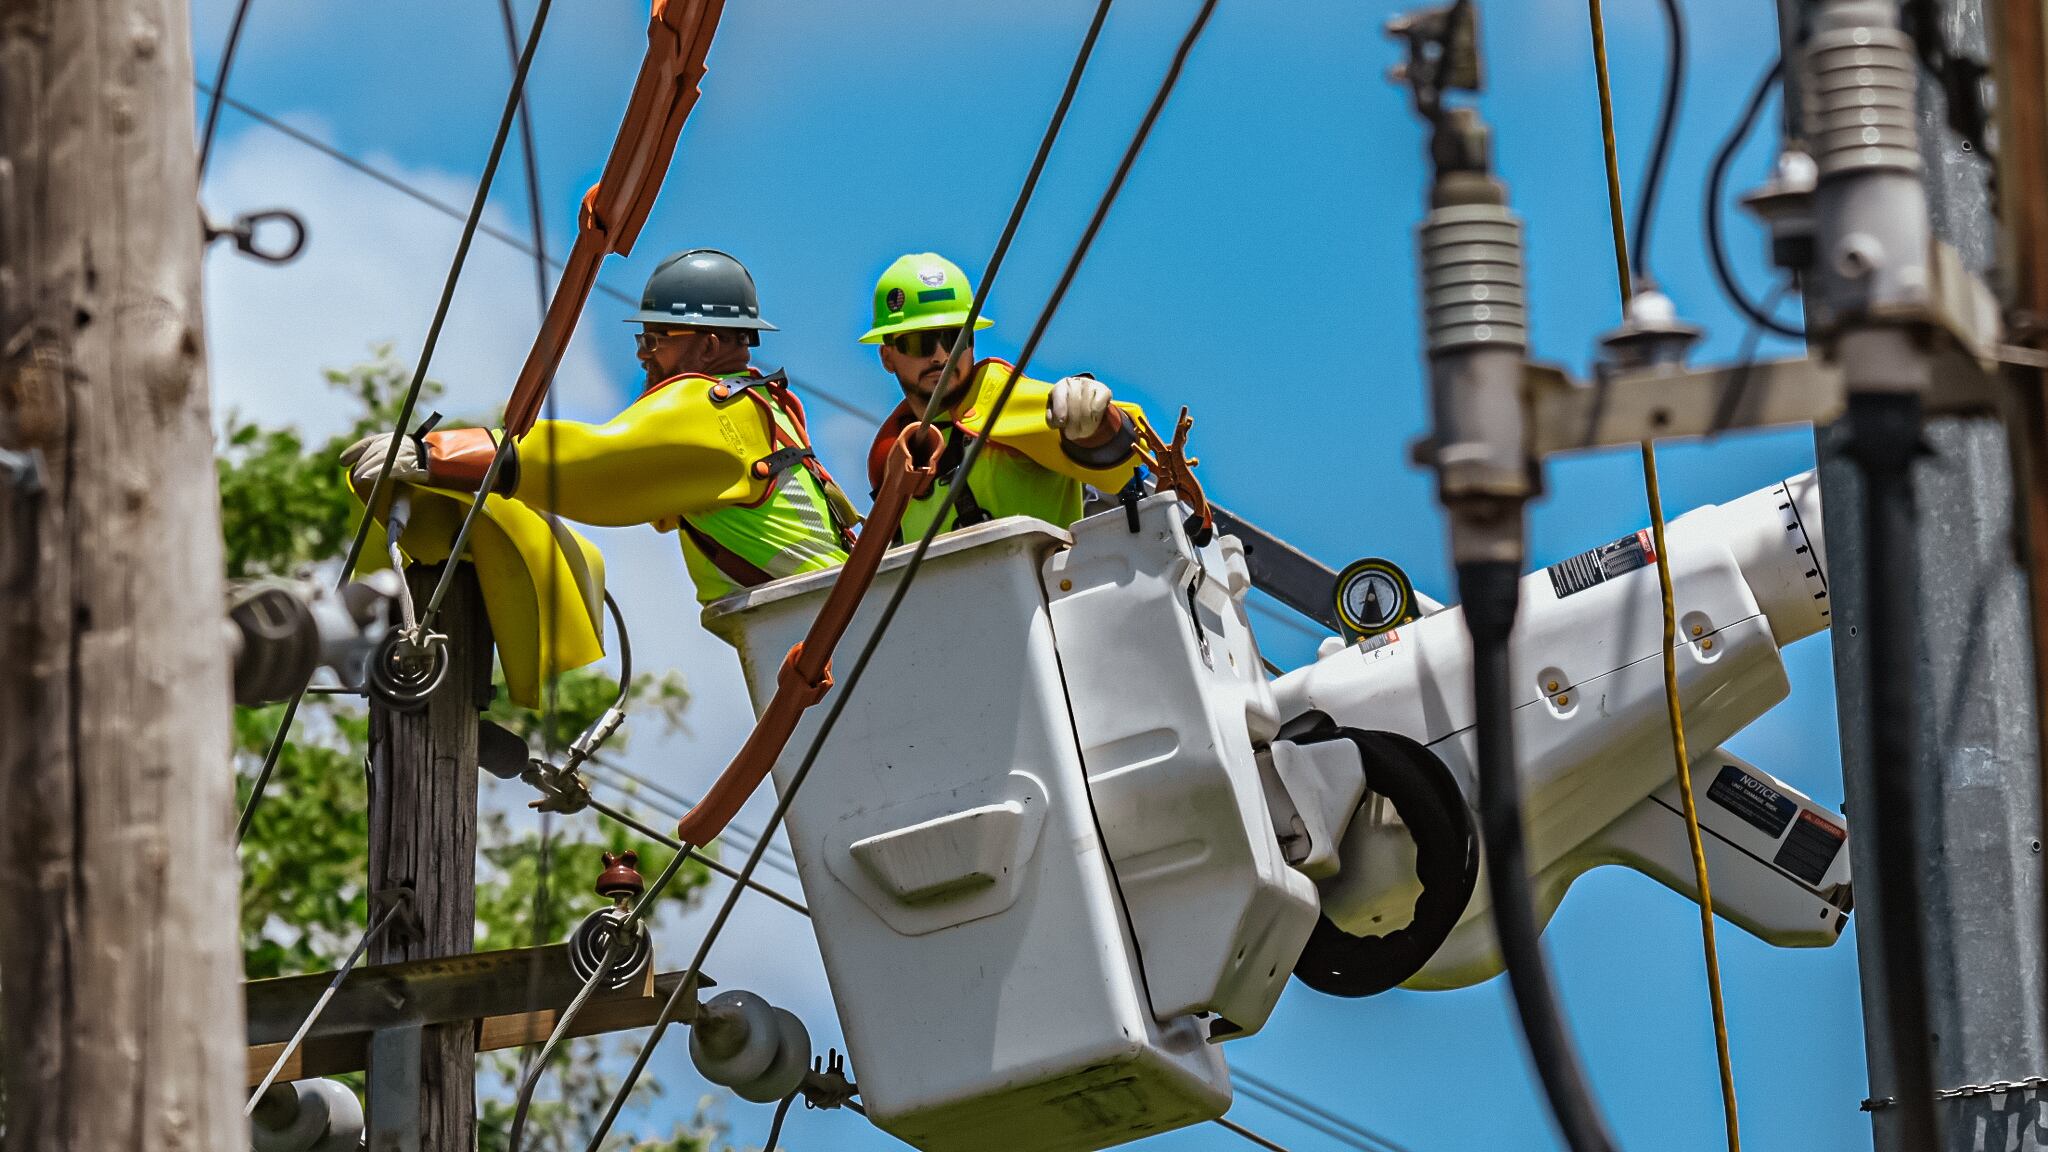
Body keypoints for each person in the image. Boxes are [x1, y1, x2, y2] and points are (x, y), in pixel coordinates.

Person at [342, 248, 860, 609]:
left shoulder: (710, 408)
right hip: (828, 610)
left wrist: (438, 454)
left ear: (708, 345)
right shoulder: (763, 407)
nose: (643, 357)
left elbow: (597, 463)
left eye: (657, 339)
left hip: (819, 615)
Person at [859, 252, 1150, 540]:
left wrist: (1096, 418)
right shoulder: (894, 461)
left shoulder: (999, 399)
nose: (940, 356)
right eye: (919, 343)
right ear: (887, 357)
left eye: (954, 338)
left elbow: (1124, 462)